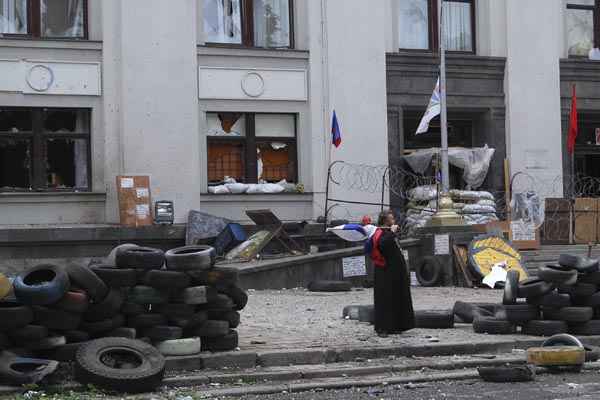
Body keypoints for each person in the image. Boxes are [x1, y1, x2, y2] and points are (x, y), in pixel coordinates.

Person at [366, 210, 415, 336]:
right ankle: (383, 328)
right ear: (385, 220)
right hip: (385, 273)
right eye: (391, 218)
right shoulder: (379, 233)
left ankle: (396, 325)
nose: (393, 221)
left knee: (397, 298)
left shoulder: (387, 232)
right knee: (385, 300)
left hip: (395, 273)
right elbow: (382, 245)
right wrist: (392, 232)